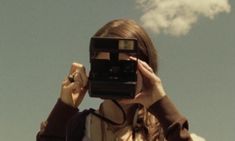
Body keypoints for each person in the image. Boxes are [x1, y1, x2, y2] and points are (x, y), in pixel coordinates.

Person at [37, 19, 193, 141]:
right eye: (106, 67)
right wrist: (64, 108)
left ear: (146, 69)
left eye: (122, 68)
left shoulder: (165, 131)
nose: (114, 75)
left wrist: (161, 104)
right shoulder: (77, 126)